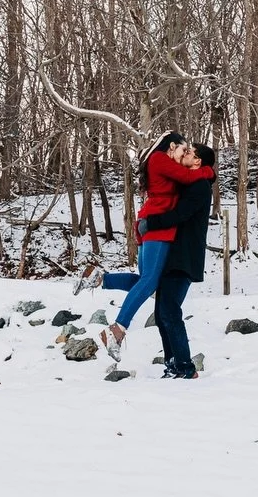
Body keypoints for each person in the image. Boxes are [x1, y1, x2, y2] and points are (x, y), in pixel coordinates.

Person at [71, 131, 213, 362]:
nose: (184, 154)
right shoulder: (161, 160)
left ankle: (100, 279)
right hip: (158, 228)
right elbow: (188, 179)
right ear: (171, 147)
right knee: (149, 282)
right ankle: (117, 329)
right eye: (183, 149)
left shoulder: (162, 162)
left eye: (188, 152)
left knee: (145, 281)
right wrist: (209, 172)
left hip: (152, 225)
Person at [138, 142, 214, 379]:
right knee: (162, 313)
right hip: (172, 254)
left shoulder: (200, 186)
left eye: (189, 152)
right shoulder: (188, 182)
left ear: (198, 161)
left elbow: (180, 215)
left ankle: (185, 368)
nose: (185, 153)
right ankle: (173, 364)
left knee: (169, 310)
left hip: (185, 256)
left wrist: (151, 223)